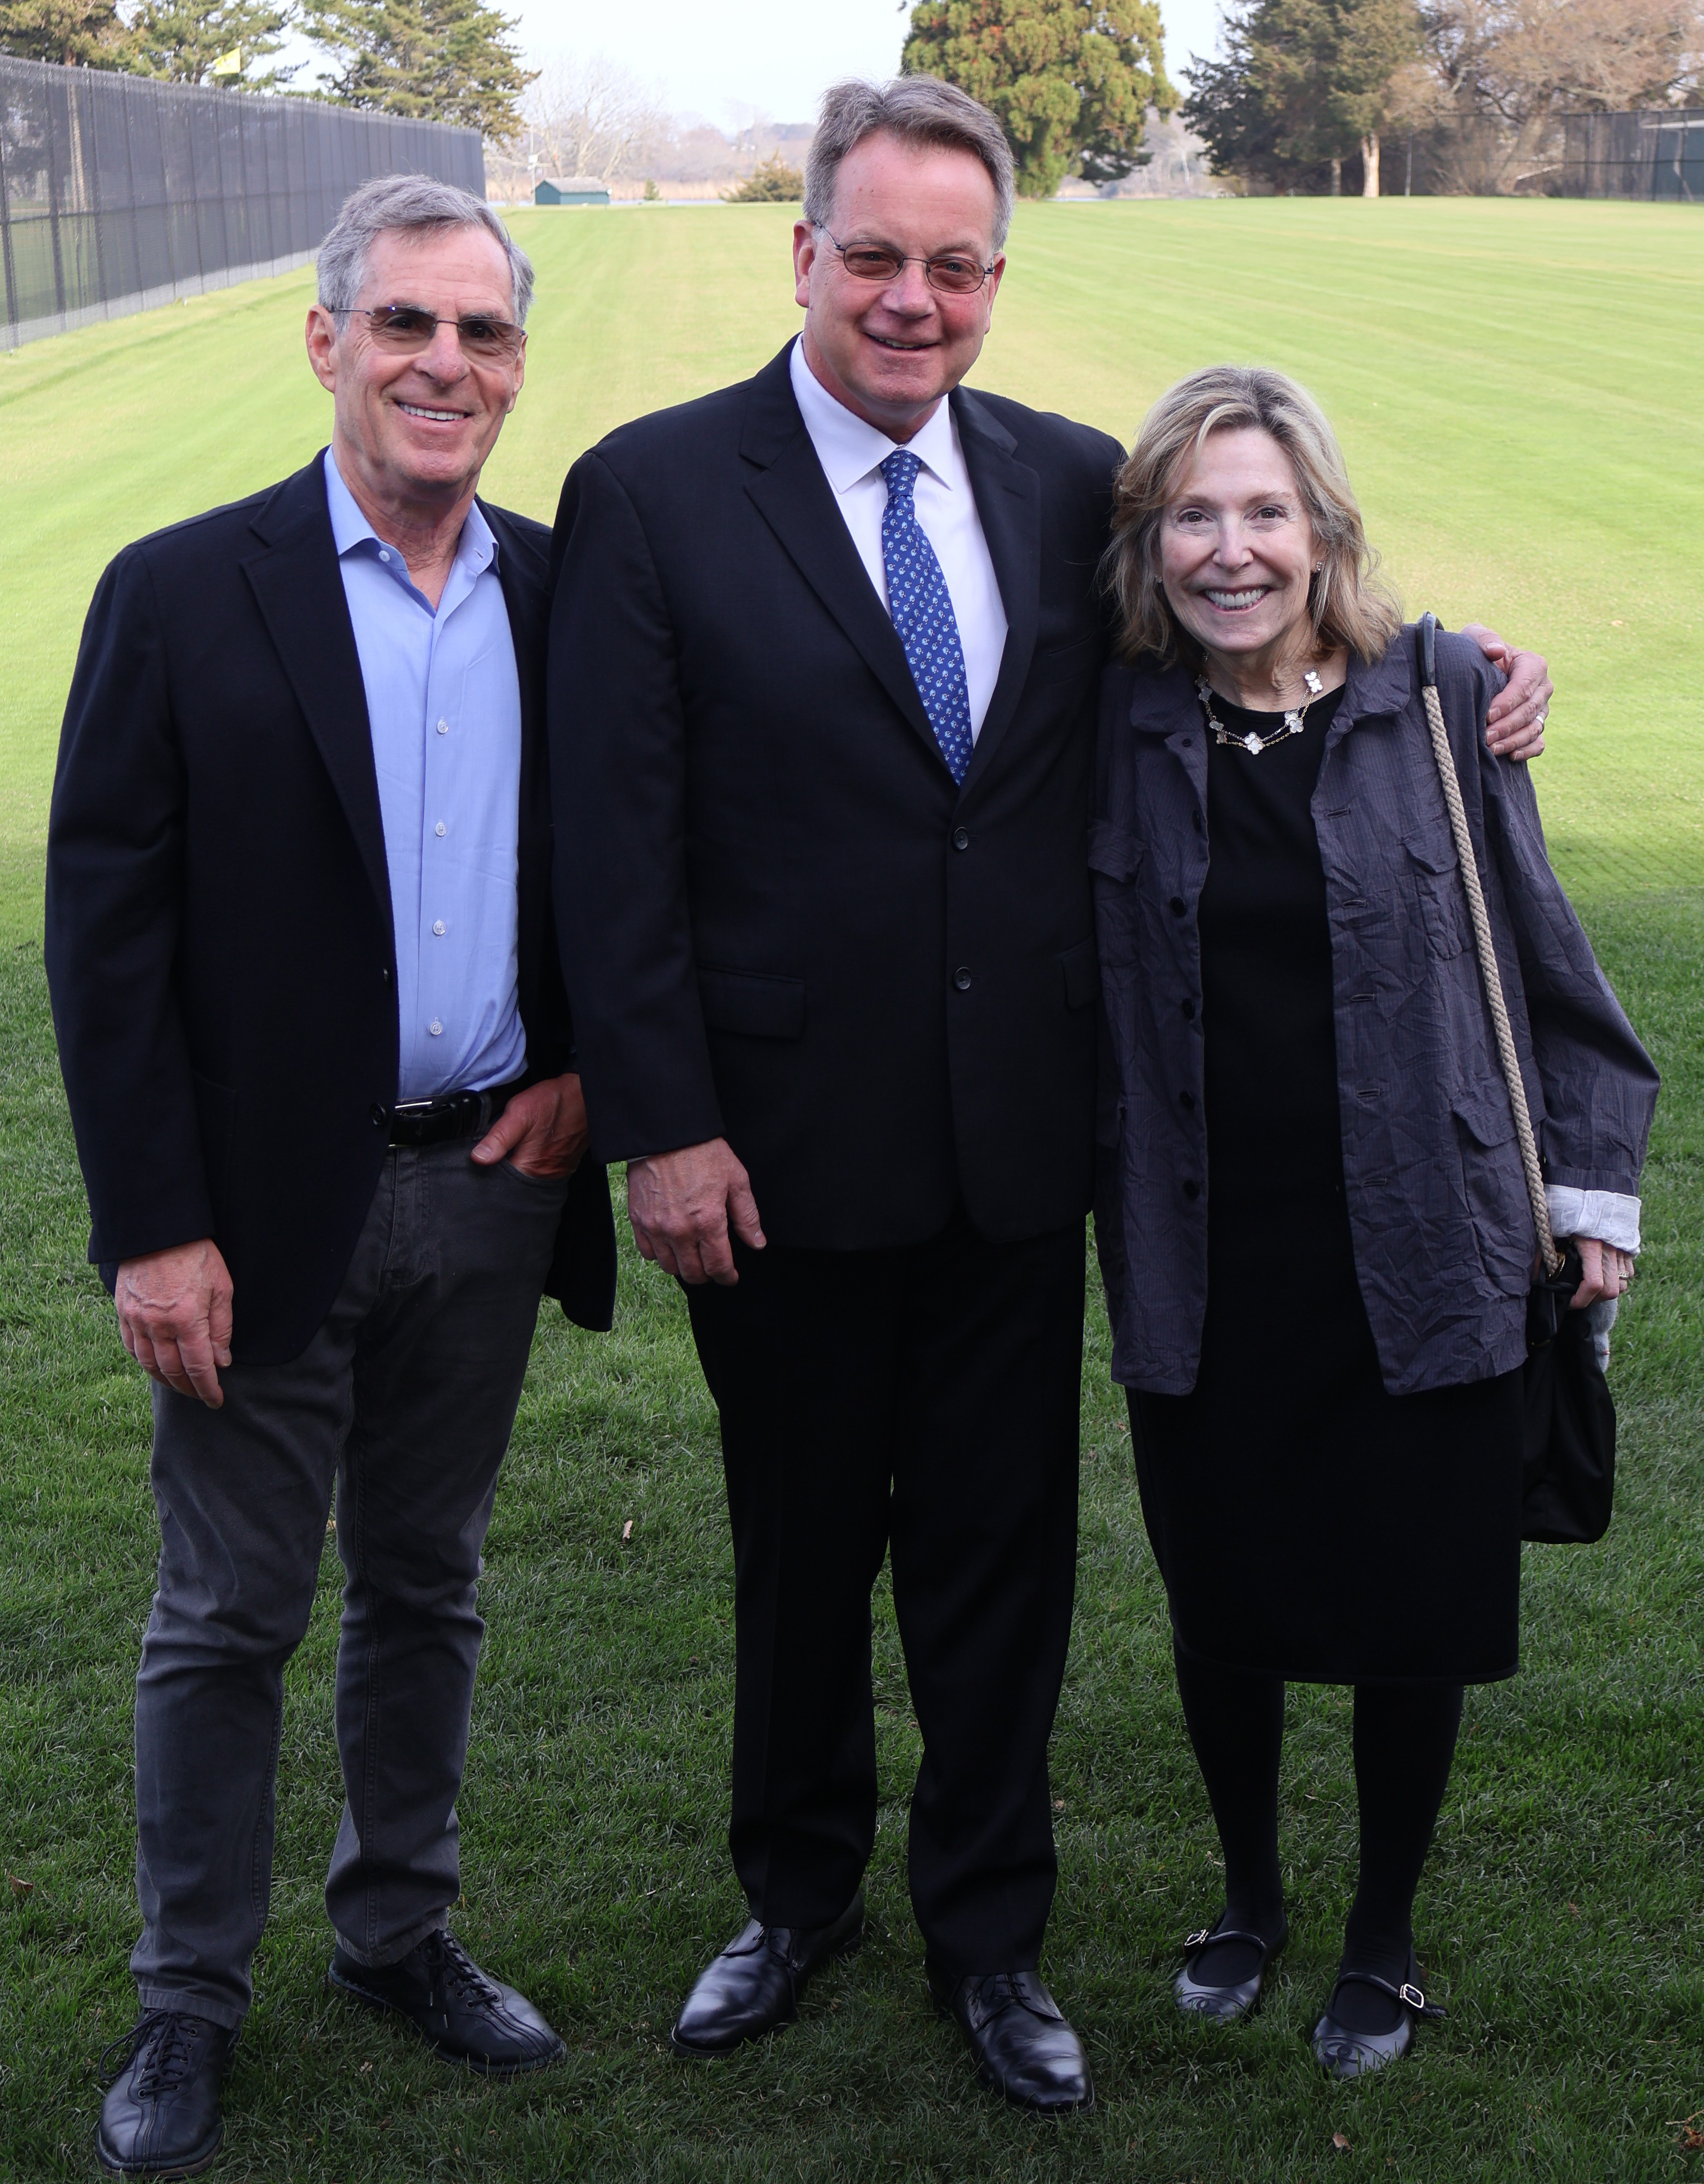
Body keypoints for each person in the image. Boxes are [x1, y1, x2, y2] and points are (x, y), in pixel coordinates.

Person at [548, 80, 1549, 2110]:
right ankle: (795, 1893)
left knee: (1001, 1562)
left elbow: (1253, 634)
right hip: (773, 1152)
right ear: (802, 255)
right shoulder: (651, 489)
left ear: (996, 277)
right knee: (798, 1550)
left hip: (1026, 1141)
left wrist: (1459, 669)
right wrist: (665, 1123)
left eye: (954, 266)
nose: (911, 301)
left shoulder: (1071, 482)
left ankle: (990, 1938)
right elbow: (610, 838)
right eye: (874, 258)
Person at [45, 175, 616, 2179]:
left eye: (483, 331)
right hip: (255, 1210)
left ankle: (396, 1934)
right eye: (405, 323)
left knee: (427, 1583)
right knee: (228, 1612)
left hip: (486, 1186)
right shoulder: (181, 590)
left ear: (515, 364)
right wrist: (153, 1226)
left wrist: (583, 1069)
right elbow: (106, 941)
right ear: (326, 342)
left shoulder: (566, 592)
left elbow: (631, 868)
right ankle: (188, 1998)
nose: (445, 363)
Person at [1091, 365, 1657, 2080]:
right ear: (1150, 543)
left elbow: (1548, 960)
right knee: (1227, 1595)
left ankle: (1383, 1938)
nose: (1233, 550)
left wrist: (1592, 1191)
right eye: (1195, 514)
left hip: (1425, 1235)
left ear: (1326, 531)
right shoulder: (1113, 720)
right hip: (1210, 1246)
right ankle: (1249, 1897)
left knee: (1415, 1601)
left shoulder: (1442, 703)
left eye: (1266, 512)